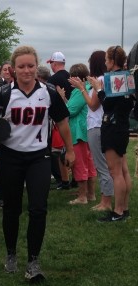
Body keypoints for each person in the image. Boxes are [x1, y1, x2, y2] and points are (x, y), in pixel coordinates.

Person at [0, 45, 75, 282]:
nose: (27, 71)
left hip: (39, 157)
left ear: (36, 66)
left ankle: (33, 260)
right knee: (12, 208)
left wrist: (70, 150)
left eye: (31, 66)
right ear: (13, 69)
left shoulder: (48, 92)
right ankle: (11, 253)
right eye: (22, 66)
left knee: (39, 208)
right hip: (10, 157)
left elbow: (62, 122)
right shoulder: (4, 94)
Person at [88, 45, 133, 222]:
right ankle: (124, 208)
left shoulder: (114, 79)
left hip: (112, 127)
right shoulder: (128, 76)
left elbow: (107, 105)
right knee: (123, 170)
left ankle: (118, 212)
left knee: (116, 172)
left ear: (113, 61)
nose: (105, 62)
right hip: (122, 126)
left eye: (107, 59)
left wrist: (98, 89)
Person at [68, 51, 114, 211]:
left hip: (89, 128)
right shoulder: (105, 80)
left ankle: (97, 199)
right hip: (99, 127)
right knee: (98, 164)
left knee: (93, 165)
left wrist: (80, 88)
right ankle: (97, 196)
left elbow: (85, 106)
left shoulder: (95, 83)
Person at [66, 64, 97, 205]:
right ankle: (91, 194)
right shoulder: (88, 88)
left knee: (80, 164)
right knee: (89, 163)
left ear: (75, 77)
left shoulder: (79, 91)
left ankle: (82, 197)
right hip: (86, 131)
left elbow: (70, 110)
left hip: (78, 132)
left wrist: (62, 103)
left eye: (71, 76)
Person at [47, 51, 74, 189]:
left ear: (55, 63)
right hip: (74, 117)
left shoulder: (51, 81)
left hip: (60, 117)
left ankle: (64, 180)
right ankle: (75, 178)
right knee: (73, 149)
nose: (51, 66)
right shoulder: (71, 77)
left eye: (51, 63)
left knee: (59, 151)